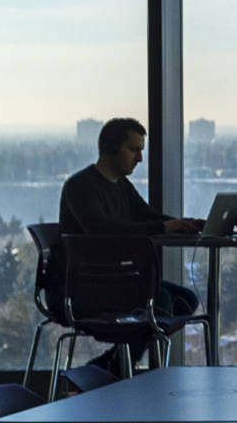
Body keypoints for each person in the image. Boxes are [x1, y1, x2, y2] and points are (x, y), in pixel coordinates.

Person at [57, 117, 201, 369]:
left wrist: (183, 224)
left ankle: (110, 366)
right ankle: (122, 369)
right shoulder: (80, 187)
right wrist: (163, 226)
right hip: (85, 287)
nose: (140, 159)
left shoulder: (120, 185)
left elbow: (148, 216)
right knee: (162, 301)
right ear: (111, 148)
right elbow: (101, 229)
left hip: (114, 281)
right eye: (134, 149)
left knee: (185, 299)